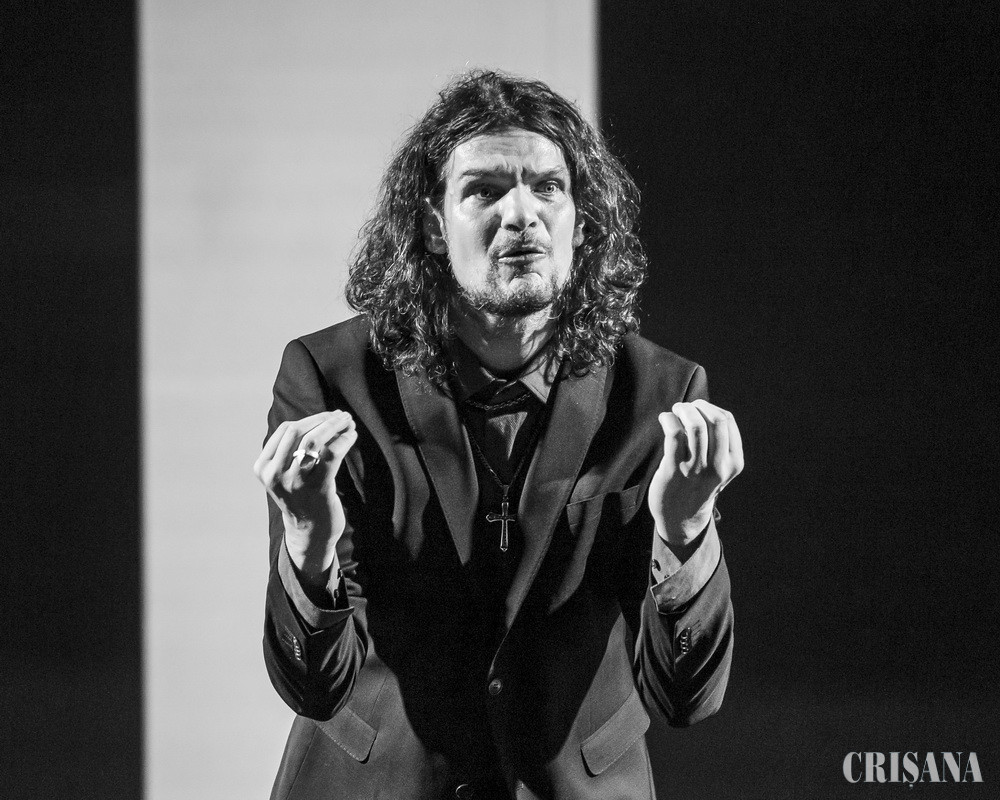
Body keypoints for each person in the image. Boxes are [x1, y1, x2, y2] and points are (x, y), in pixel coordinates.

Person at [254, 70, 743, 800]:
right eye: (484, 190)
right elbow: (313, 687)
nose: (523, 214)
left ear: (581, 219)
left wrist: (686, 530)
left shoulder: (660, 397)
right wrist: (307, 541)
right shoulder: (332, 380)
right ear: (432, 224)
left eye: (549, 187)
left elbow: (686, 698)